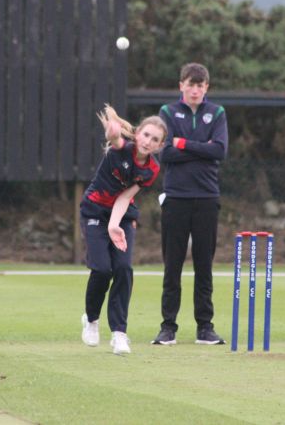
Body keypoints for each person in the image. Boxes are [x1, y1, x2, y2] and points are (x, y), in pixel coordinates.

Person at [80, 105, 167, 355]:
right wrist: (112, 133)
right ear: (137, 134)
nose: (148, 141)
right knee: (102, 269)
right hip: (94, 211)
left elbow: (125, 197)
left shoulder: (151, 169)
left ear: (160, 146)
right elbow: (115, 140)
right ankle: (91, 319)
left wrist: (115, 225)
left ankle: (119, 333)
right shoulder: (122, 148)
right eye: (146, 135)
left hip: (122, 215)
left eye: (155, 140)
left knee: (123, 269)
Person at [152, 62, 228, 346]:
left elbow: (219, 150)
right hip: (176, 197)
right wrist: (200, 149)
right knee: (172, 265)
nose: (195, 90)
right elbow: (165, 153)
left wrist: (183, 144)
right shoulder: (167, 112)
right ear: (181, 85)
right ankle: (168, 327)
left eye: (200, 85)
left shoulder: (217, 113)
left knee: (204, 265)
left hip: (207, 196)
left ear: (206, 87)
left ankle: (205, 327)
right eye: (190, 84)